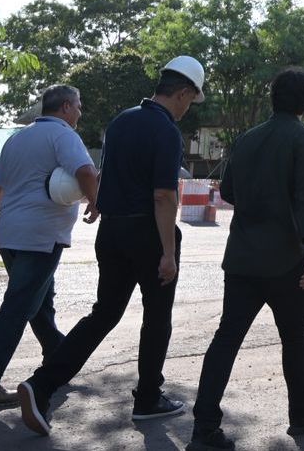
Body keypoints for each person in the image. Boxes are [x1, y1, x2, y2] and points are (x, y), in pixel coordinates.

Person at [18, 55, 205, 436]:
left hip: (113, 232)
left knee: (104, 313)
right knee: (157, 316)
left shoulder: (122, 120)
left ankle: (41, 384)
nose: (187, 108)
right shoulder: (166, 130)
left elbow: (107, 175)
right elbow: (164, 196)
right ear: (183, 92)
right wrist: (168, 252)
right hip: (148, 234)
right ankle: (149, 398)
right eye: (190, 100)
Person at [186, 67, 304, 451]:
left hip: (241, 258)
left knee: (225, 340)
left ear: (273, 98)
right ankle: (301, 412)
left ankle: (204, 427)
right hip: (286, 258)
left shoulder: (248, 139)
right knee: (294, 338)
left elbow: (231, 191)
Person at [0, 84, 98, 409]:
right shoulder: (63, 135)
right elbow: (86, 170)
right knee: (18, 307)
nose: (80, 112)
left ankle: (58, 356)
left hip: (9, 234)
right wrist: (96, 200)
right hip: (40, 237)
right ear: (65, 107)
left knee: (39, 302)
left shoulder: (17, 138)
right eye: (78, 106)